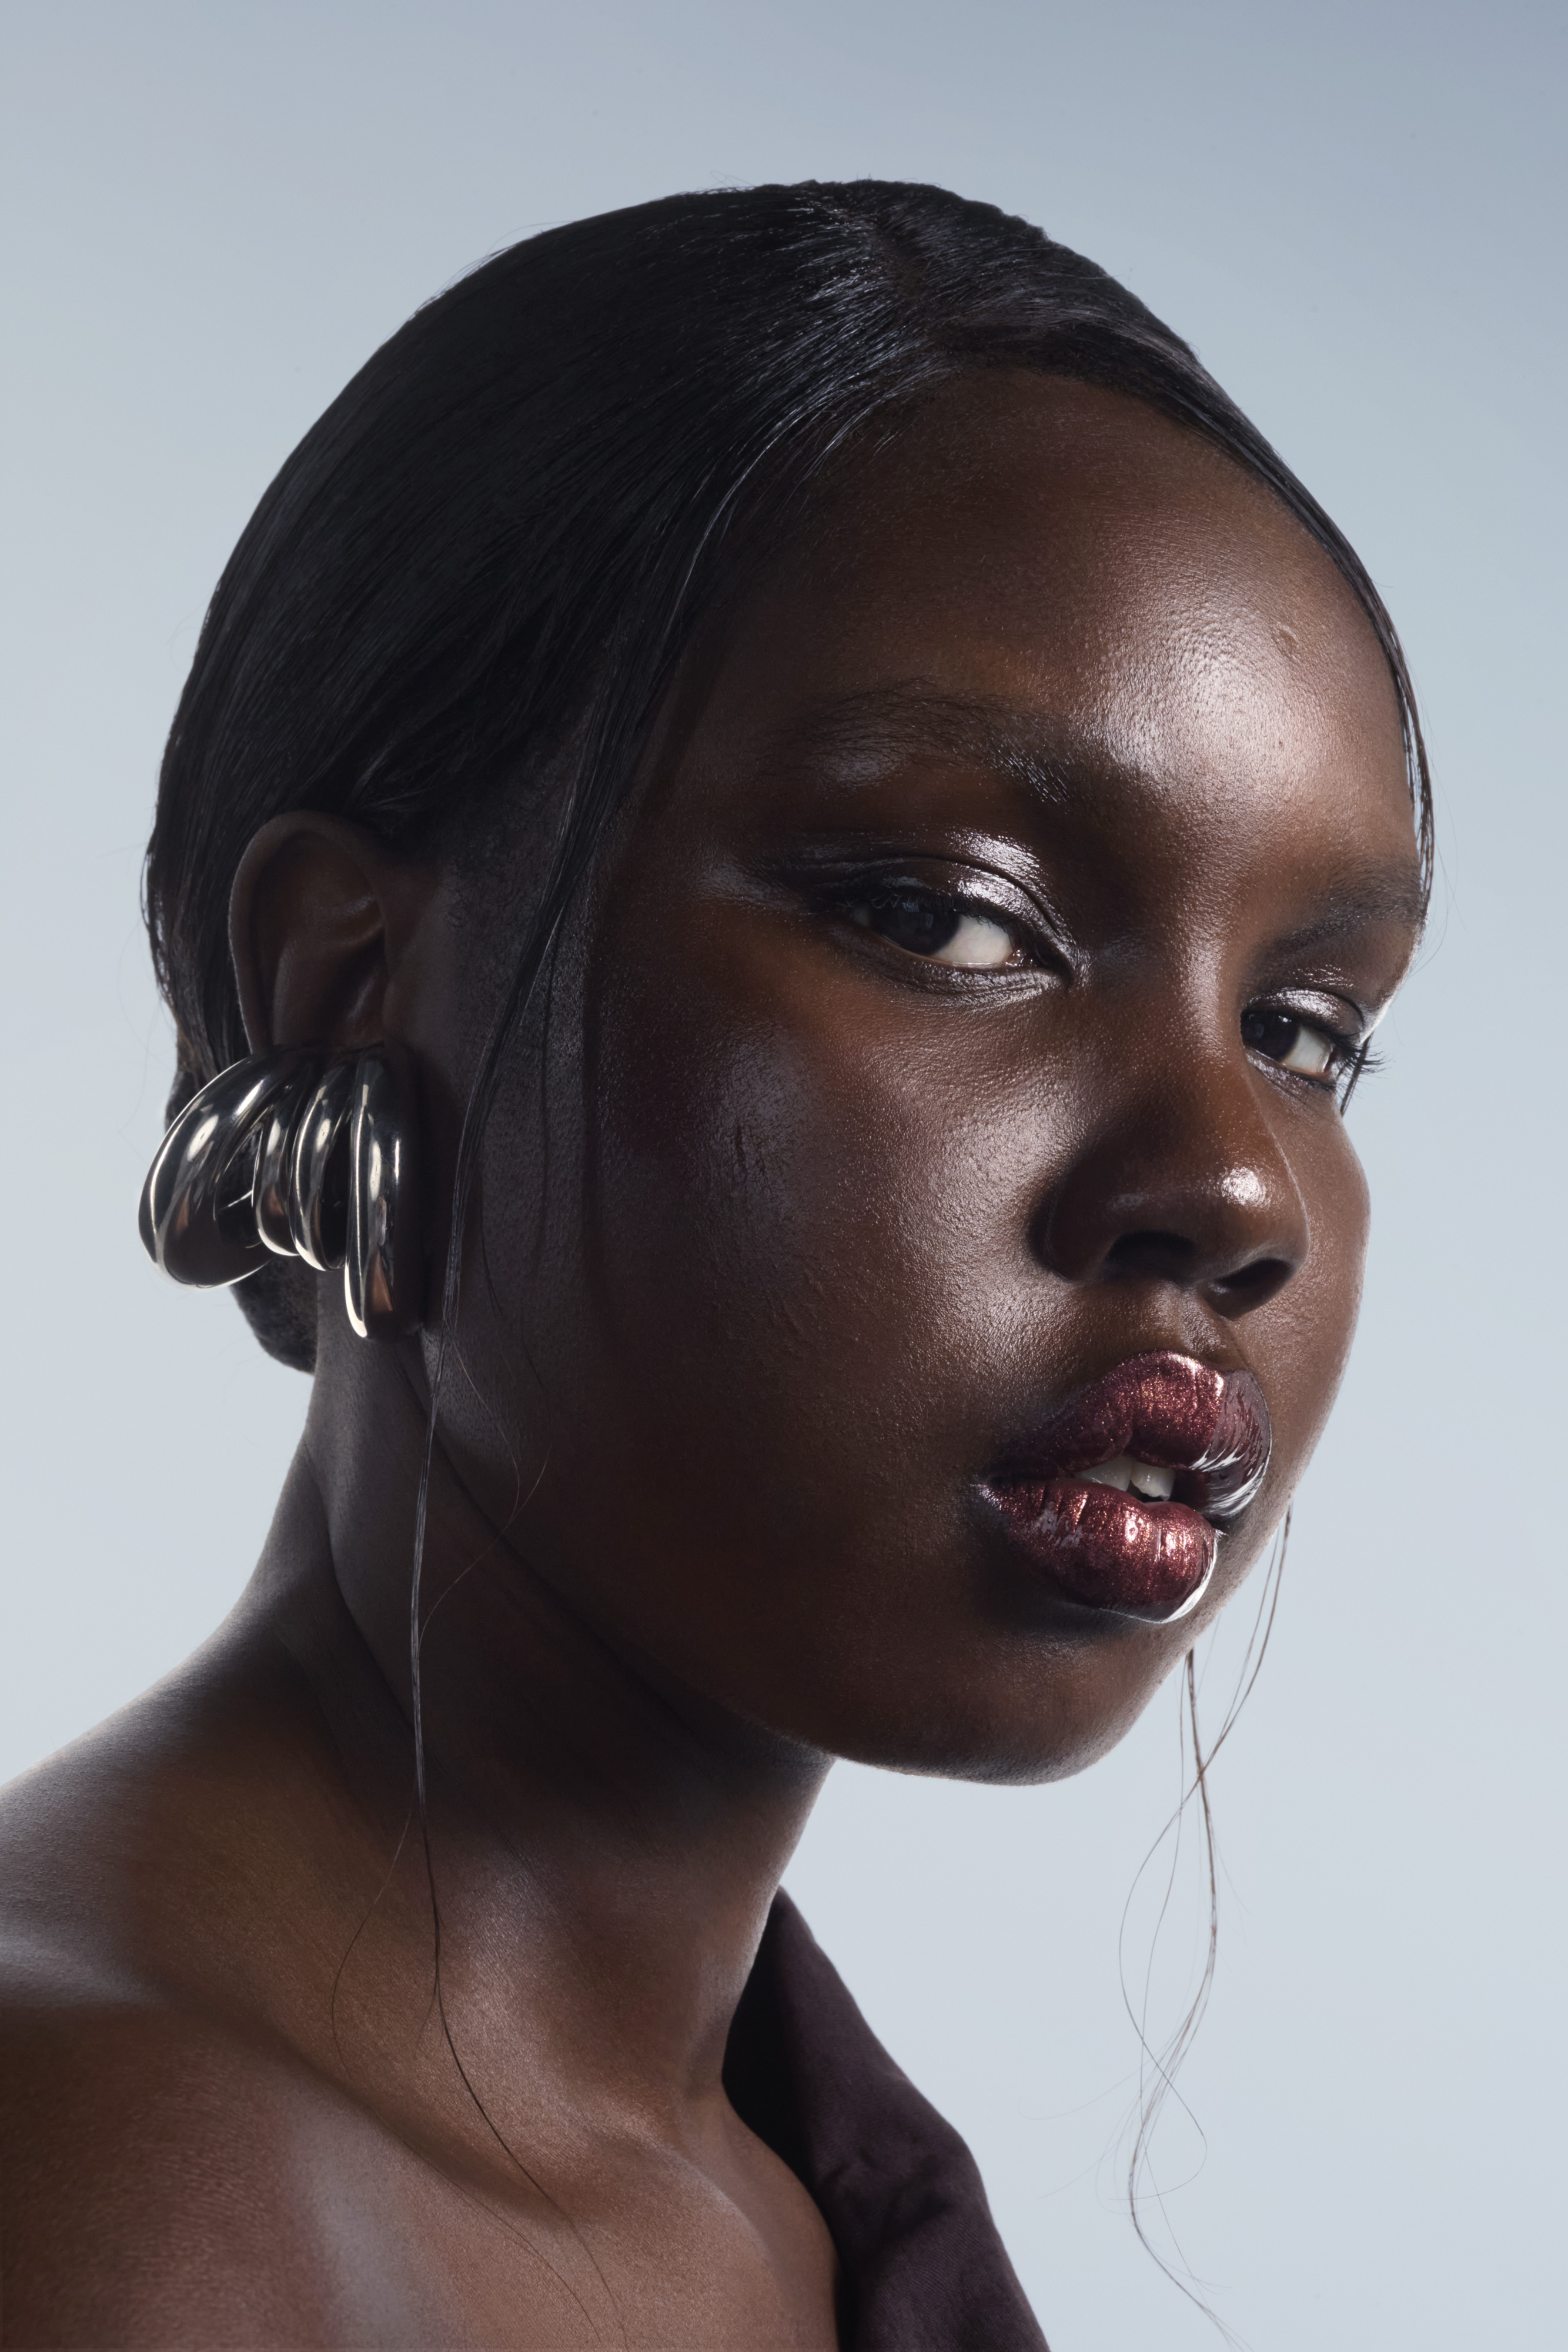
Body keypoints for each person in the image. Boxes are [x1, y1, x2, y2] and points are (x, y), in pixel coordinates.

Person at [0, 181, 1429, 2348]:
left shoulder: (770, 2176)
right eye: (952, 916)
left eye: (1305, 1028)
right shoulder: (111, 2189)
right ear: (348, 985)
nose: (1236, 1187)